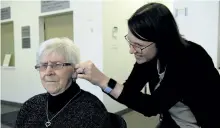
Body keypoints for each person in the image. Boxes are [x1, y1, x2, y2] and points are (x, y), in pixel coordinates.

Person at [75, 3, 220, 128]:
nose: (131, 50)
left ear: (162, 40)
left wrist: (103, 80)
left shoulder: (190, 58)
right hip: (174, 122)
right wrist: (101, 83)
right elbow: (128, 91)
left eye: (138, 45)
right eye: (130, 42)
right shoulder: (149, 59)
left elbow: (152, 106)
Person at [15, 37, 126, 128]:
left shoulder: (91, 110)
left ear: (74, 70)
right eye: (43, 65)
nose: (48, 72)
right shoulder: (30, 106)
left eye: (57, 65)